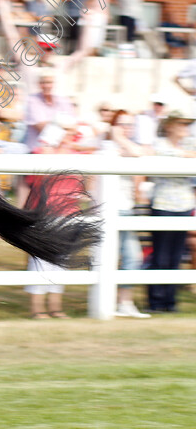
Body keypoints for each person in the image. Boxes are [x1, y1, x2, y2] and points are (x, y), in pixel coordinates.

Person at [98, 109, 150, 318]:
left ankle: (124, 302)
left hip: (125, 208)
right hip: (109, 209)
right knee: (113, 256)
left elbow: (142, 153)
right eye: (123, 124)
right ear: (113, 125)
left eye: (131, 125)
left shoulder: (126, 145)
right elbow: (137, 153)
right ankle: (110, 302)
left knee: (131, 256)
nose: (127, 128)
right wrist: (117, 135)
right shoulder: (107, 147)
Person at [146, 111, 196, 313]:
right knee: (161, 255)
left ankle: (170, 301)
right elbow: (155, 155)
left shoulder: (188, 145)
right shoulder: (159, 144)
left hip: (184, 205)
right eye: (181, 123)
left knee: (175, 256)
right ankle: (157, 302)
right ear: (170, 126)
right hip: (163, 204)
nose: (185, 127)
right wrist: (183, 156)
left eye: (186, 124)